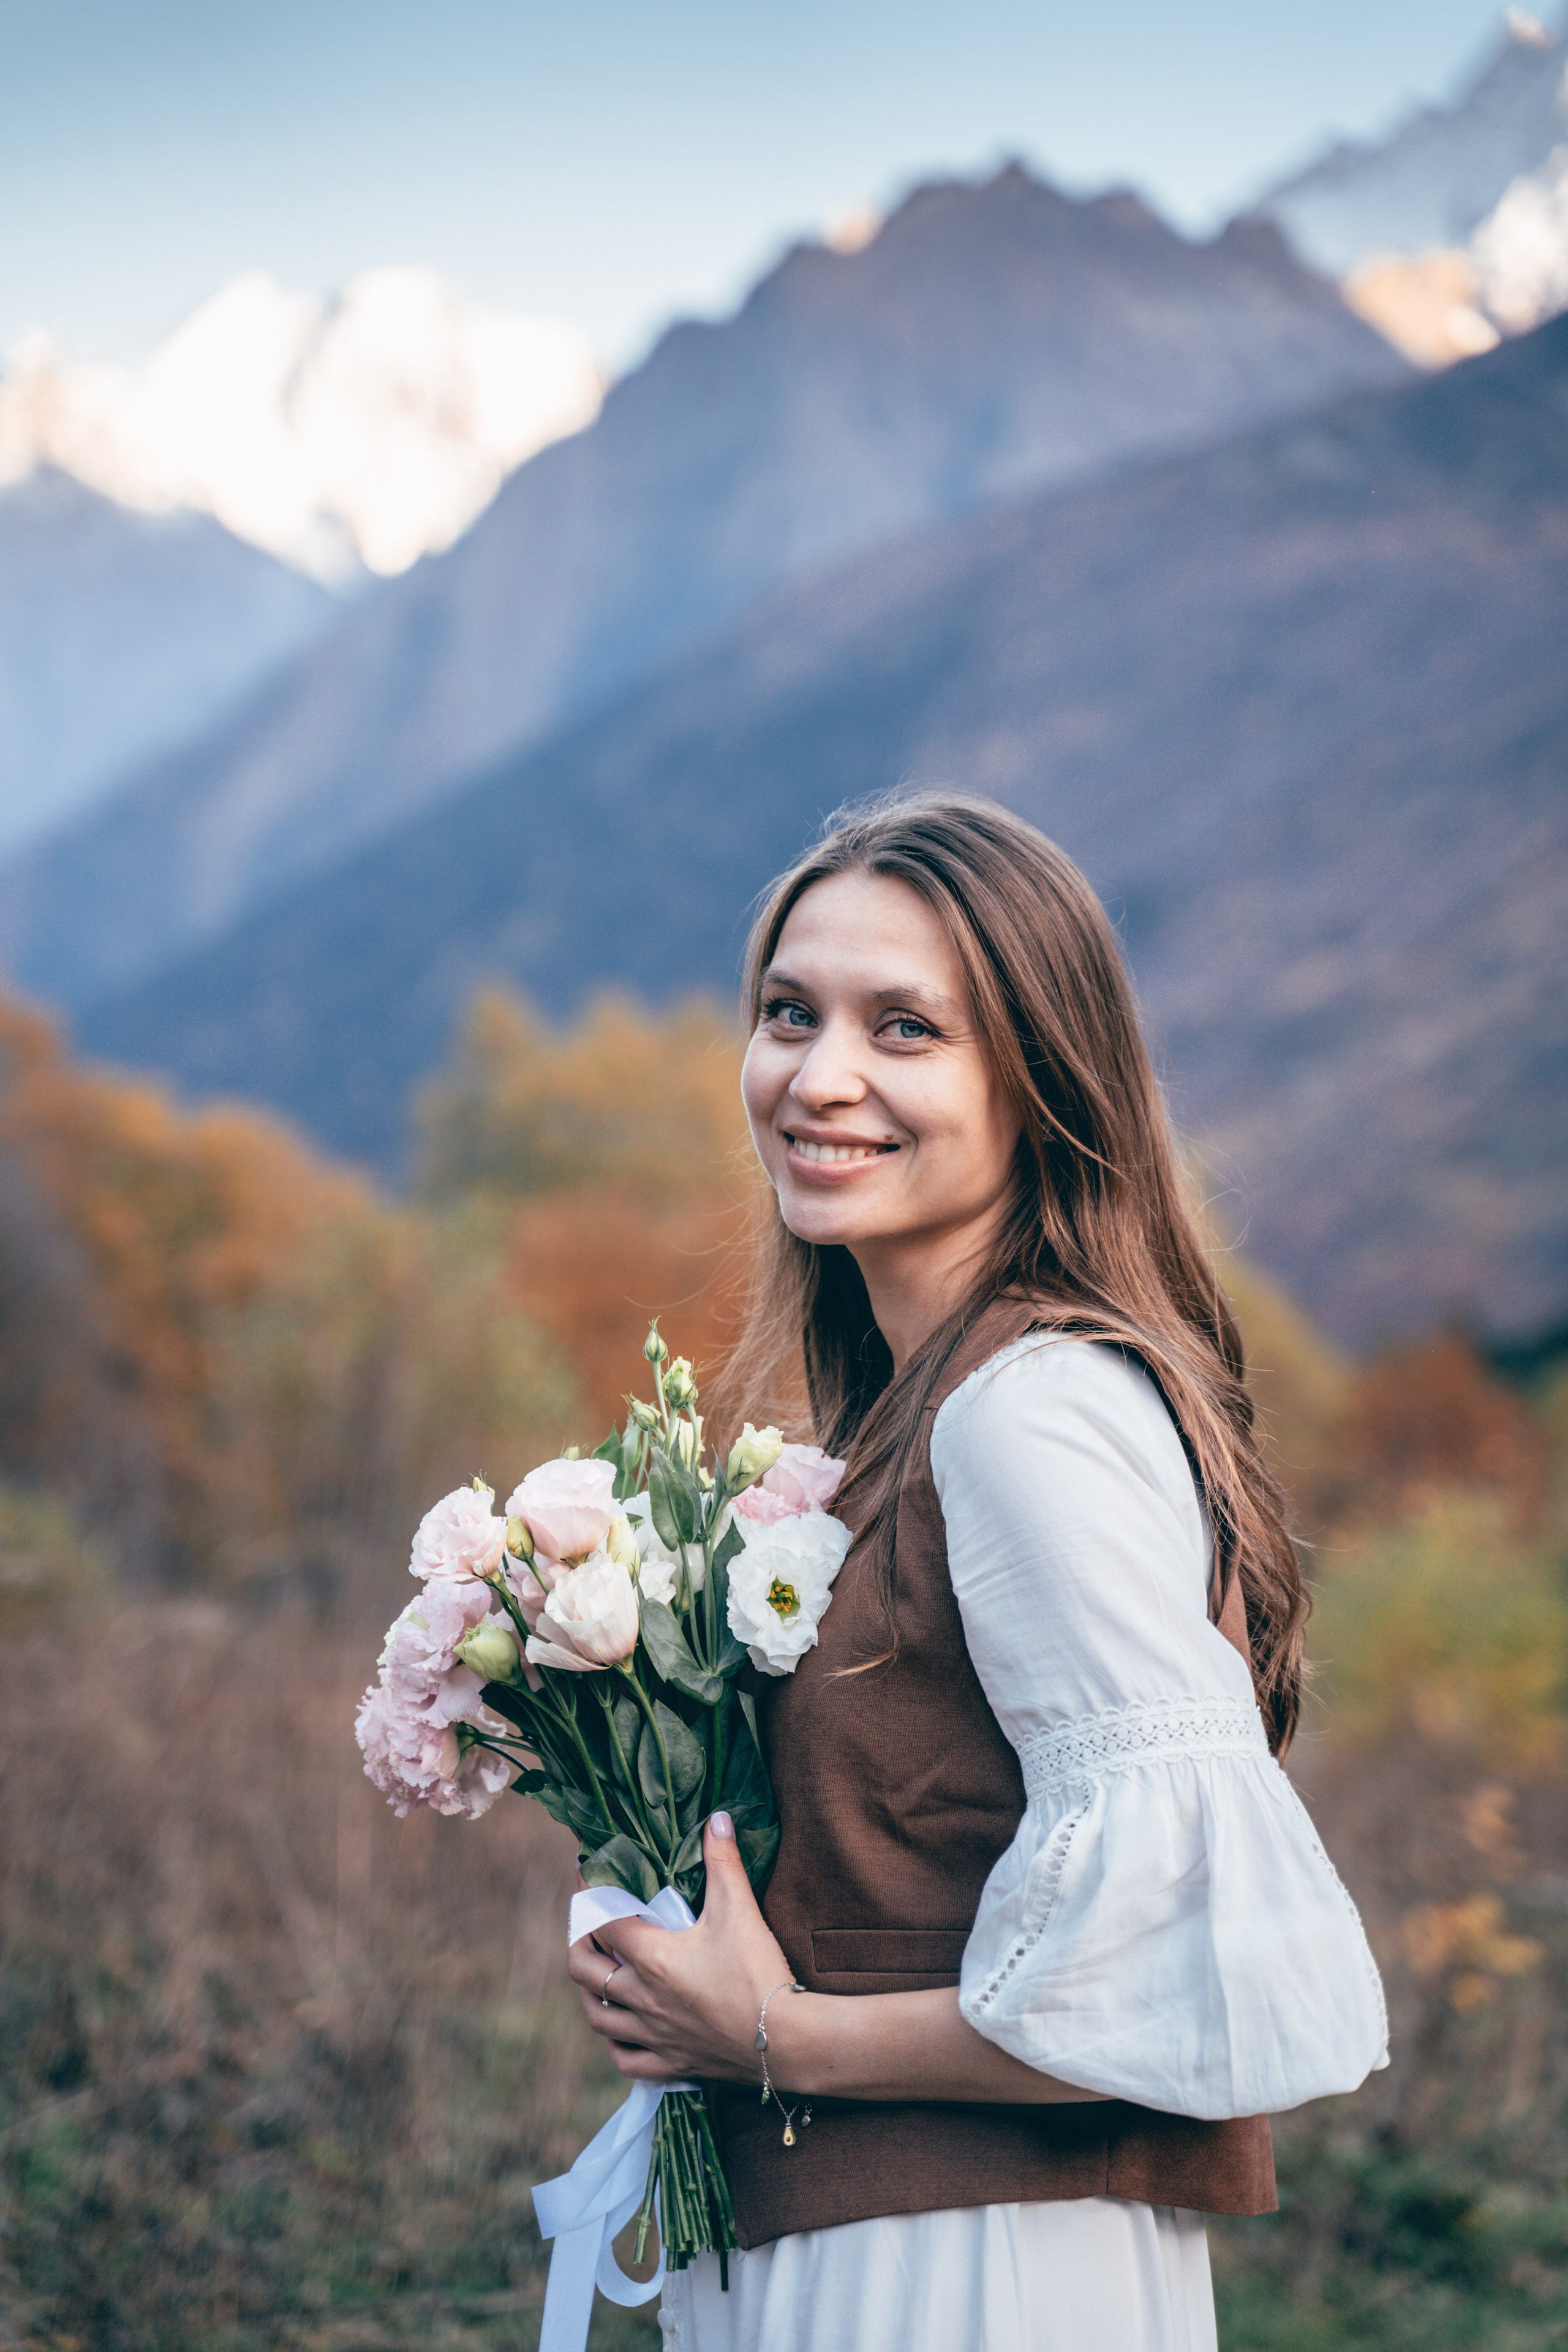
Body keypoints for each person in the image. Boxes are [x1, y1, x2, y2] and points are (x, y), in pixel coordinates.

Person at [566, 793, 1387, 2351]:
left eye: (905, 1030)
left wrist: (769, 2034)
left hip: (968, 2278)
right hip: (874, 2242)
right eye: (788, 1013)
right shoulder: (920, 1409)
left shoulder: (1031, 1414)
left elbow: (1169, 1984)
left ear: (1038, 1082)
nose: (820, 1077)